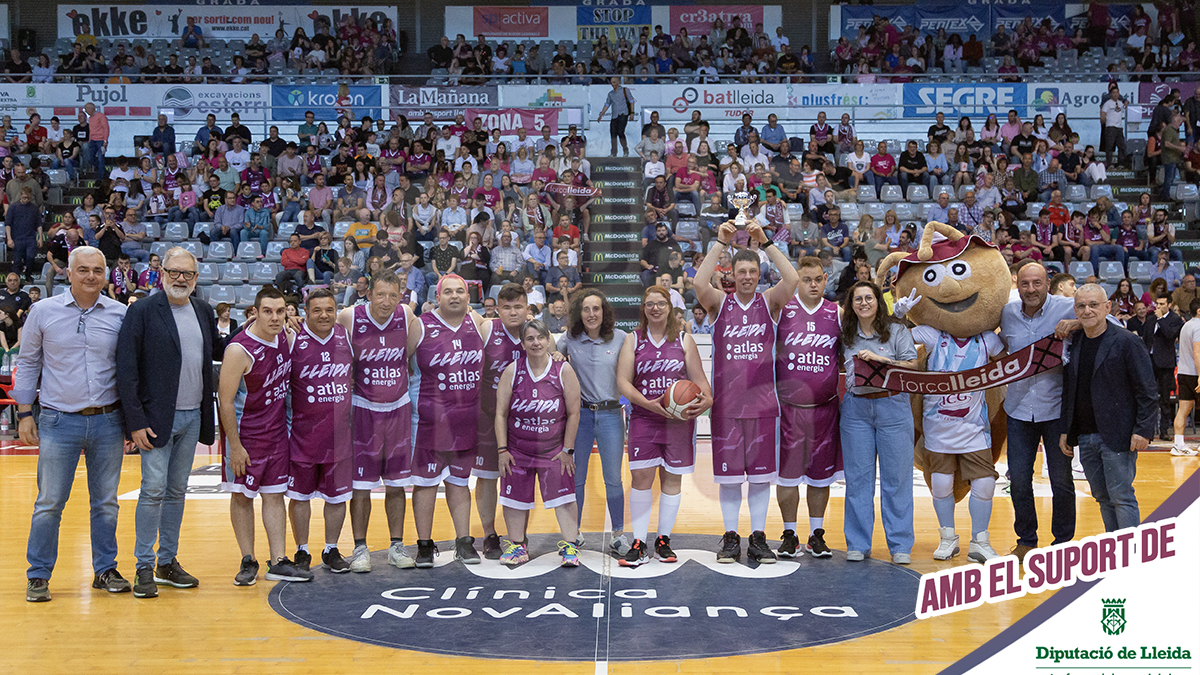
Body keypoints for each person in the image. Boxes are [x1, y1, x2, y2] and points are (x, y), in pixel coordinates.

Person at [18, 247, 129, 602]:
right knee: (49, 502)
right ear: (68, 273)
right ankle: (38, 575)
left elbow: (128, 370)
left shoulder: (120, 314)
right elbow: (29, 361)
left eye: (98, 270)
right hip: (57, 420)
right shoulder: (42, 311)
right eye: (83, 270)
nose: (91, 276)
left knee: (107, 503)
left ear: (106, 275)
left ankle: (105, 569)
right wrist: (23, 414)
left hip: (108, 421)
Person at [692, 217, 799, 563]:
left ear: (759, 274)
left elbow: (793, 279)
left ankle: (756, 537)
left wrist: (765, 241)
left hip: (764, 407)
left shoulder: (769, 302)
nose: (748, 277)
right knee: (729, 479)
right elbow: (697, 282)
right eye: (742, 272)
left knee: (759, 479)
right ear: (732, 275)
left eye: (753, 271)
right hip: (726, 407)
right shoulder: (719, 304)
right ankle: (729, 537)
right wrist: (720, 243)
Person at [116, 247, 217, 598]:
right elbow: (126, 370)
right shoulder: (142, 311)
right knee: (153, 491)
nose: (180, 279)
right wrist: (135, 422)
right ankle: (143, 566)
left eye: (187, 274)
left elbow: (216, 353)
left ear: (196, 278)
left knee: (176, 492)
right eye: (174, 272)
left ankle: (167, 562)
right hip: (156, 420)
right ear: (161, 273)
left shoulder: (203, 310)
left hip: (192, 416)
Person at [218, 286, 312, 585]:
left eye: (280, 311)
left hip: (277, 435)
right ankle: (248, 559)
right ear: (254, 312)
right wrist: (234, 446)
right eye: (268, 311)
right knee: (243, 497)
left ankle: (278, 560)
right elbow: (225, 401)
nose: (275, 317)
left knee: (274, 497)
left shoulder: (286, 337)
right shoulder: (238, 349)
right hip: (246, 437)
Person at [615, 286, 713, 566]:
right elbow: (623, 381)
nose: (655, 308)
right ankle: (638, 541)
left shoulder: (684, 340)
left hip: (677, 423)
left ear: (670, 308)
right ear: (643, 308)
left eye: (660, 303)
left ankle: (663, 540)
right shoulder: (633, 339)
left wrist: (705, 401)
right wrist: (648, 404)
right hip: (645, 419)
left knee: (672, 480)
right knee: (642, 480)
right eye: (649, 304)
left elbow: (702, 385)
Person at [999, 262, 1085, 562]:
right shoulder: (1006, 313)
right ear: (1017, 285)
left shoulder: (1067, 306)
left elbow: (1107, 320)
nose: (1031, 289)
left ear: (1048, 284)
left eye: (1037, 283)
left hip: (1058, 409)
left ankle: (1062, 542)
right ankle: (1026, 539)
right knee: (1019, 480)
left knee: (1061, 480)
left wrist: (1075, 324)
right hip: (1019, 409)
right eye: (1025, 284)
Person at [335, 272, 415, 572]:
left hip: (398, 410)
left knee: (397, 485)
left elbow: (410, 352)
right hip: (363, 410)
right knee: (360, 486)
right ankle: (359, 548)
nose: (386, 301)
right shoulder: (349, 317)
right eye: (380, 295)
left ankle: (396, 545)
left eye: (392, 296)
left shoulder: (407, 315)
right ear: (369, 293)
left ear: (400, 295)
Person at [1060, 284, 1156, 532]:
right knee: (1102, 498)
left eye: (1093, 305)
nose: (1087, 310)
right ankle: (1114, 551)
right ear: (1075, 309)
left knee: (1122, 497)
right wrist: (1066, 430)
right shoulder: (1076, 341)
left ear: (1107, 307)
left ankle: (1131, 556)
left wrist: (1143, 430)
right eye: (1081, 305)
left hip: (1119, 434)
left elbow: (1147, 390)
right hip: (1086, 435)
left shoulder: (1127, 342)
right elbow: (1072, 390)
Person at [407, 275, 486, 566]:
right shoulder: (420, 325)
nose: (455, 296)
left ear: (468, 296)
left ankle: (464, 541)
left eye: (460, 291)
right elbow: (398, 363)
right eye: (448, 292)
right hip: (428, 421)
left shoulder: (477, 324)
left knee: (459, 483)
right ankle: (425, 545)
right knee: (425, 484)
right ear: (437, 297)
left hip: (466, 420)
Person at [839, 281, 918, 563]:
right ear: (851, 305)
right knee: (858, 480)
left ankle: (900, 546)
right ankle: (858, 543)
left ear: (877, 301)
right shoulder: (846, 333)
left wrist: (880, 359)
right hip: (856, 409)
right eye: (857, 299)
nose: (863, 303)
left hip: (893, 407)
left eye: (868, 297)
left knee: (897, 480)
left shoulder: (896, 330)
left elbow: (912, 364)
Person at [493, 319, 583, 566]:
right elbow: (500, 413)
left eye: (540, 338)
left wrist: (567, 449)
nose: (535, 343)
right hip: (517, 450)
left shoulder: (563, 370)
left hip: (554, 450)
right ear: (522, 343)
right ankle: (517, 546)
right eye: (530, 338)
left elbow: (574, 412)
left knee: (564, 499)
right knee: (513, 500)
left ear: (548, 340)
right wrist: (502, 450)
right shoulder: (512, 371)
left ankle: (570, 547)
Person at [773, 256, 844, 559]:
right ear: (796, 280)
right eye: (806, 279)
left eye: (818, 279)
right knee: (787, 477)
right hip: (788, 410)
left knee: (820, 477)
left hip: (825, 409)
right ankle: (789, 534)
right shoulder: (782, 311)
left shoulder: (837, 313)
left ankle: (816, 534)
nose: (813, 285)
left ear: (826, 279)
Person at [285, 289, 354, 573]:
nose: (324, 315)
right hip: (302, 436)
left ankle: (331, 548)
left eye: (329, 309)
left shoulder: (346, 336)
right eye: (317, 310)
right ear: (306, 313)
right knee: (299, 497)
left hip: (339, 438)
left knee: (336, 498)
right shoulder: (292, 339)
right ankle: (302, 550)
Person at [557, 290, 630, 556]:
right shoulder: (570, 339)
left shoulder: (622, 338)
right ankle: (573, 533)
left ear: (604, 312)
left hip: (611, 414)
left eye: (596, 309)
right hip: (581, 416)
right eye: (586, 309)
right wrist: (555, 356)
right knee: (576, 478)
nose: (591, 314)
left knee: (613, 478)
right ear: (579, 314)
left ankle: (618, 534)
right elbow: (550, 355)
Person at [472, 283, 529, 559]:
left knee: (522, 477)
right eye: (507, 307)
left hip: (525, 421)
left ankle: (519, 534)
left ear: (527, 308)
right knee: (487, 478)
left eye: (518, 306)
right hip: (487, 417)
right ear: (498, 309)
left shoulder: (536, 334)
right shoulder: (487, 330)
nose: (513, 312)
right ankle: (489, 534)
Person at [1145, 295, 1184, 445]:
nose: (1159, 307)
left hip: (1166, 363)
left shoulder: (1175, 319)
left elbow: (1170, 336)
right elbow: (1147, 339)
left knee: (1165, 399)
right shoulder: (1151, 318)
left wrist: (1161, 319)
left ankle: (1164, 430)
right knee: (1149, 396)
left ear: (1169, 304)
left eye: (1162, 304)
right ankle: (1148, 431)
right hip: (1150, 361)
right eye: (1157, 304)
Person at [1171, 299, 1200, 457]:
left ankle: (1178, 444)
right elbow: (1198, 352)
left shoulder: (1186, 325)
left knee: (1183, 410)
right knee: (1184, 410)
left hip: (1183, 372)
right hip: (1196, 373)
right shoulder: (1199, 326)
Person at [597, 77, 635, 157]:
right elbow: (607, 104)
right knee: (613, 134)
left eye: (614, 82)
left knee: (620, 132)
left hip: (623, 114)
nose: (612, 84)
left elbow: (631, 101)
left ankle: (625, 150)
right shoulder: (610, 94)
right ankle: (613, 153)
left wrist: (632, 113)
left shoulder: (625, 90)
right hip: (614, 116)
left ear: (618, 82)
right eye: (611, 82)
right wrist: (602, 114)